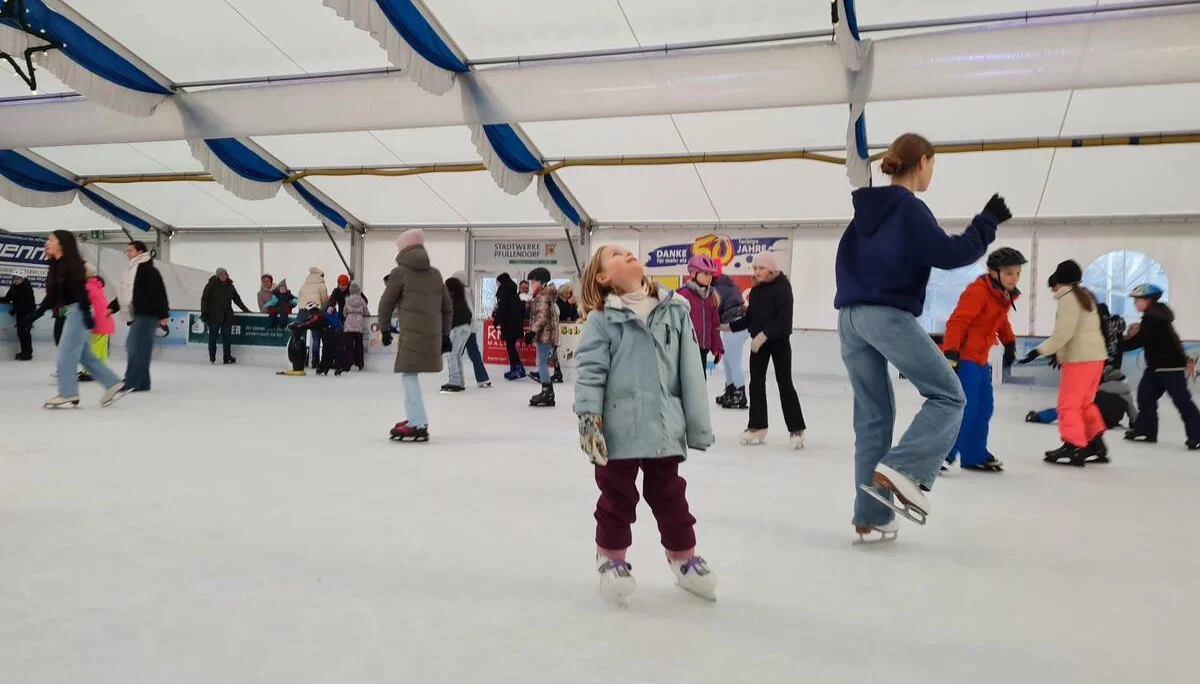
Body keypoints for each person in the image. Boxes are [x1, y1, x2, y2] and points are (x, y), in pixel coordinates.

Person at [834, 132, 1008, 540]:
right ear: (924, 161)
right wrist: (987, 223)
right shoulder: (908, 209)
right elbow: (951, 255)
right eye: (934, 165)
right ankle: (905, 468)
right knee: (949, 395)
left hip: (849, 318)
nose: (933, 173)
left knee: (873, 418)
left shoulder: (864, 212)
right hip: (885, 315)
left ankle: (871, 516)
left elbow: (846, 261)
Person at [574, 244, 717, 605]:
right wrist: (590, 422)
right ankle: (611, 559)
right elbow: (590, 374)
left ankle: (683, 558)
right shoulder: (602, 320)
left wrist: (697, 425)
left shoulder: (675, 311)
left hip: (663, 427)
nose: (627, 254)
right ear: (604, 277)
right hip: (617, 431)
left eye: (627, 251)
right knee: (617, 497)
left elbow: (690, 373)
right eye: (616, 255)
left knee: (670, 496)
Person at [939, 247, 1026, 473]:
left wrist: (1010, 343)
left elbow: (1000, 321)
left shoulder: (1002, 295)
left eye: (1017, 273)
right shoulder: (978, 291)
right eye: (1009, 273)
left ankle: (974, 454)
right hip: (965, 358)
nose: (1014, 278)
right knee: (966, 409)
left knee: (984, 408)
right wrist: (951, 352)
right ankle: (941, 454)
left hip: (980, 359)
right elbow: (957, 322)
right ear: (993, 272)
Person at [1016, 261, 1109, 466]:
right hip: (1095, 358)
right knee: (1084, 403)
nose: (1053, 289)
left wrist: (1037, 351)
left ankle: (1074, 446)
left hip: (1080, 359)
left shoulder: (1068, 298)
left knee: (1068, 405)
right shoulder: (1085, 296)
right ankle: (1095, 443)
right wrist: (1058, 353)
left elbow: (1063, 334)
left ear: (1059, 282)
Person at [24, 231, 128, 408]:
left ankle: (67, 393)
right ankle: (113, 383)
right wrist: (37, 313)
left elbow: (81, 292)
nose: (46, 243)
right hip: (76, 311)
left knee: (65, 355)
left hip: (78, 311)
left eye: (51, 240)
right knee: (83, 355)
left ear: (62, 244)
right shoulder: (59, 265)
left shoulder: (71, 266)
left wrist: (86, 314)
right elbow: (54, 295)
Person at [380, 229, 452, 442]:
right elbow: (447, 307)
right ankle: (416, 419)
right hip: (433, 334)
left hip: (411, 335)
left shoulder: (399, 272)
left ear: (404, 249)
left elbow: (386, 303)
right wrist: (445, 335)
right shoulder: (436, 274)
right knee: (409, 375)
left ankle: (417, 423)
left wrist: (384, 329)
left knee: (408, 375)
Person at [732, 252, 805, 449]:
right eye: (755, 268)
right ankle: (757, 425)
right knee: (756, 384)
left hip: (778, 342)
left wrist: (764, 335)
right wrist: (727, 327)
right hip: (758, 344)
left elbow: (784, 319)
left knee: (784, 383)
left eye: (761, 268)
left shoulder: (782, 287)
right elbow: (750, 319)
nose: (757, 271)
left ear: (771, 269)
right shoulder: (756, 291)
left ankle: (796, 428)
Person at [1120, 283, 1200, 450]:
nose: (1135, 304)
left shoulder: (1153, 317)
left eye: (1137, 300)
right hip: (1157, 366)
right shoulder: (1157, 314)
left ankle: (1197, 435)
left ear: (1148, 300)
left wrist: (1117, 345)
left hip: (1169, 367)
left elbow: (1140, 340)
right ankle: (1146, 430)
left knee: (1182, 401)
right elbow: (1173, 339)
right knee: (1145, 396)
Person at [1026, 366, 1138, 440]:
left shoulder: (1100, 388)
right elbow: (1132, 413)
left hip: (1096, 420)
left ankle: (1039, 417)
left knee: (1068, 409)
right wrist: (1134, 424)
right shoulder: (1126, 392)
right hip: (1110, 423)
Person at [119, 240, 169, 393]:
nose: (128, 254)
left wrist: (162, 315)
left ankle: (133, 380)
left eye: (131, 251)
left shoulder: (148, 270)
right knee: (140, 347)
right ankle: (143, 382)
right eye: (127, 251)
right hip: (139, 313)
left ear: (140, 252)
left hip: (148, 313)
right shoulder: (132, 270)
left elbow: (159, 293)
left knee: (134, 346)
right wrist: (112, 307)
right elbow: (126, 293)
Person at [676, 255, 724, 377]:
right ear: (693, 273)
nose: (709, 278)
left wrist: (717, 347)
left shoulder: (711, 297)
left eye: (710, 274)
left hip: (702, 349)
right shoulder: (682, 295)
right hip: (685, 349)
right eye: (705, 274)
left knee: (700, 383)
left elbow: (714, 325)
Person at [441, 276, 491, 392]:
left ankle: (455, 381)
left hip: (458, 328)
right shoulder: (461, 298)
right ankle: (460, 381)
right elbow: (469, 313)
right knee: (457, 354)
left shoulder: (453, 299)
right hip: (466, 328)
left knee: (452, 354)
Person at [200, 267, 251, 364]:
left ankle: (227, 357)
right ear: (217, 276)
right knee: (213, 337)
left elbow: (237, 299)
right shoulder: (211, 285)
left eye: (225, 274)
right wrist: (204, 313)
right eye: (221, 275)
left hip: (227, 316)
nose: (224, 276)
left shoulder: (230, 286)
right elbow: (204, 299)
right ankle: (212, 357)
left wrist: (246, 310)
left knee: (227, 337)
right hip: (213, 316)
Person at [713, 268, 748, 409]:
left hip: (736, 324)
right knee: (728, 360)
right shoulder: (727, 283)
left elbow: (714, 307)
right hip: (735, 323)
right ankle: (731, 391)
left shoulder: (718, 287)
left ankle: (740, 395)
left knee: (733, 361)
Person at [527, 268, 560, 406]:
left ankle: (547, 392)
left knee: (541, 363)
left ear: (540, 282)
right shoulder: (545, 295)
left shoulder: (542, 296)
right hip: (547, 333)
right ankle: (548, 392)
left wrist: (532, 331)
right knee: (542, 362)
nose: (531, 284)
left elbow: (542, 316)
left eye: (533, 282)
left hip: (545, 334)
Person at [78, 265, 116, 383]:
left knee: (93, 347)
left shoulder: (86, 287)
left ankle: (89, 371)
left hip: (98, 322)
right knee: (101, 348)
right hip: (106, 320)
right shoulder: (96, 287)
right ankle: (100, 370)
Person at [493, 272, 526, 380]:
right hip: (515, 324)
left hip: (509, 324)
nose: (497, 285)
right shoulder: (513, 293)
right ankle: (517, 368)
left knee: (510, 347)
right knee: (511, 346)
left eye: (498, 282)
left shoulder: (504, 292)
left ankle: (517, 369)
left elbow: (502, 308)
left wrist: (496, 320)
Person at [298, 267, 329, 367]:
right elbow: (324, 301)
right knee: (316, 336)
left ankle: (300, 358)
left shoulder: (304, 284)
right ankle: (315, 360)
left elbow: (299, 297)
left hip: (302, 311)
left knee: (301, 335)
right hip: (315, 312)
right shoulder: (321, 285)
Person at [1, 273, 36, 360]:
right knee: (20, 333)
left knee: (25, 333)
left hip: (28, 313)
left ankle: (28, 353)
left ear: (23, 279)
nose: (16, 280)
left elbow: (27, 304)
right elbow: (7, 298)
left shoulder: (27, 288)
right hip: (20, 313)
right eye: (15, 278)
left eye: (18, 278)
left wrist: (14, 310)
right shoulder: (13, 287)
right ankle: (24, 352)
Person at [340, 282, 368, 372]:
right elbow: (366, 311)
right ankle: (359, 363)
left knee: (349, 346)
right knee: (359, 345)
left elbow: (344, 312)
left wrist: (347, 316)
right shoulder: (362, 300)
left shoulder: (347, 299)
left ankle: (347, 365)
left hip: (348, 326)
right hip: (358, 326)